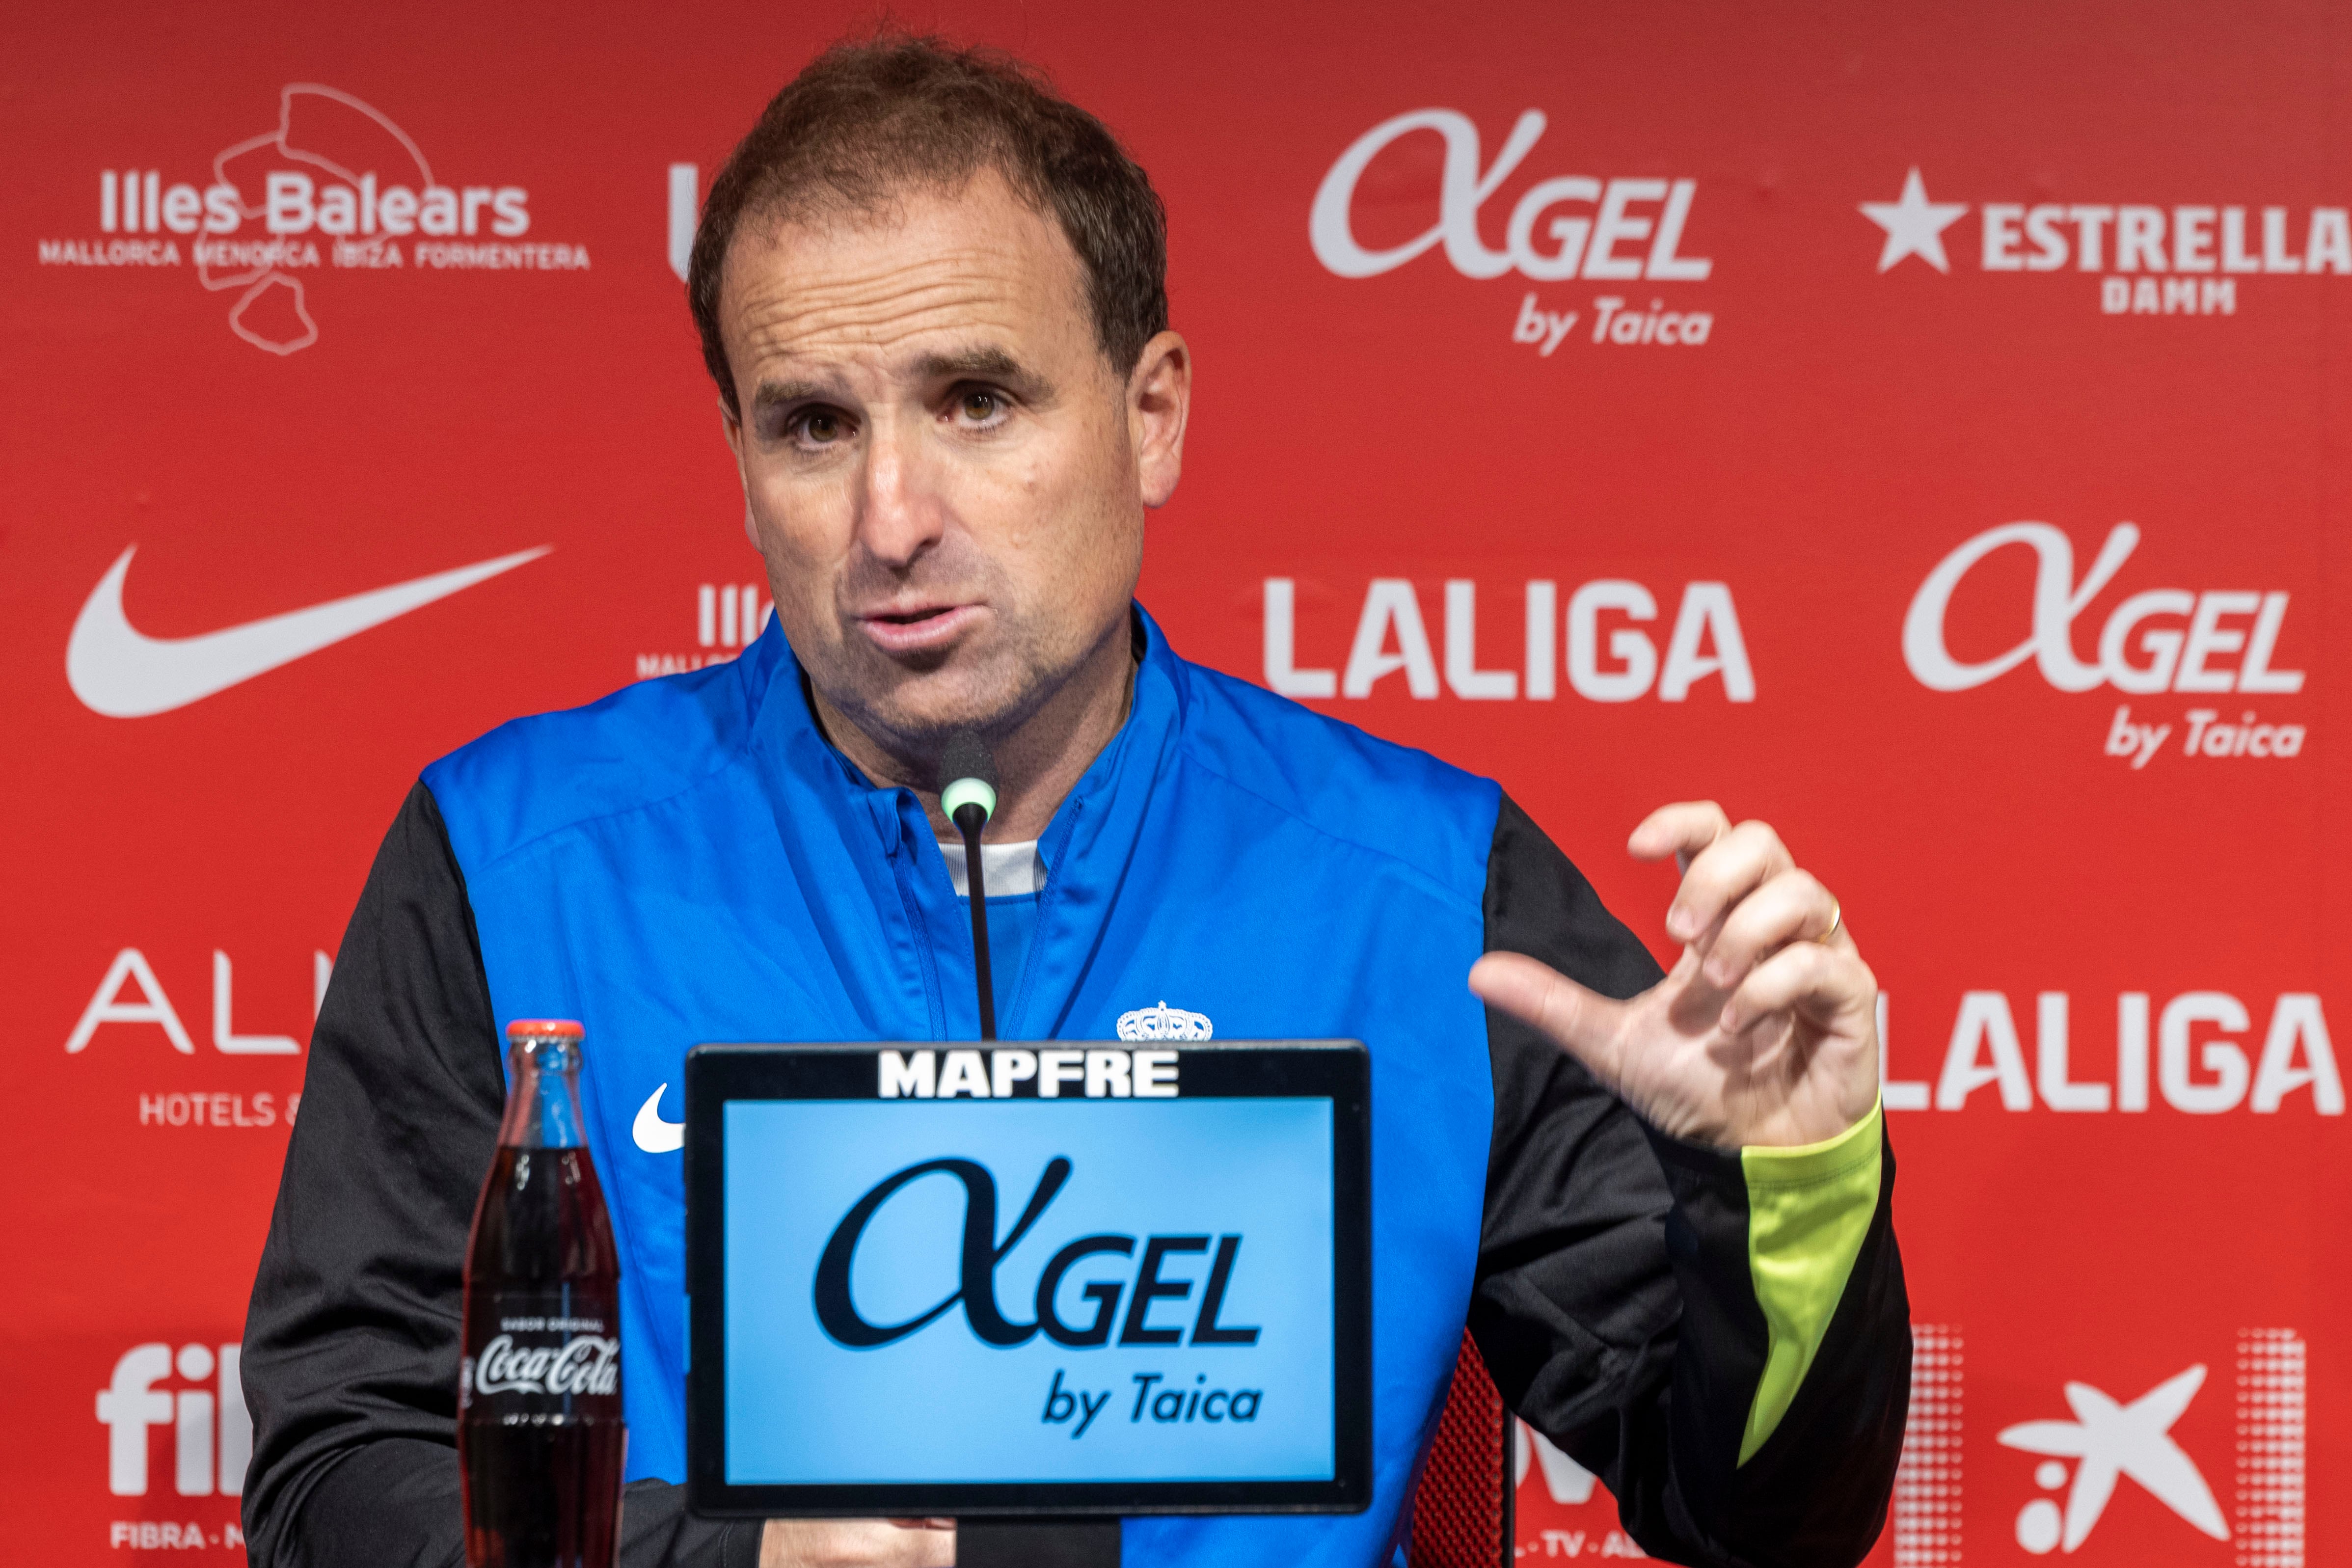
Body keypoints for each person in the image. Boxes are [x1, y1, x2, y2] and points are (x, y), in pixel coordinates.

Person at [241, 35, 1908, 1568]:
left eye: (977, 401)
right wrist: (734, 1561)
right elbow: (337, 1474)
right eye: (813, 424)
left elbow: (1765, 1522)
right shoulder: (513, 862)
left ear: (1151, 414)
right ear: (739, 457)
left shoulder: (1423, 888)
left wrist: (1784, 1190)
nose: (892, 517)